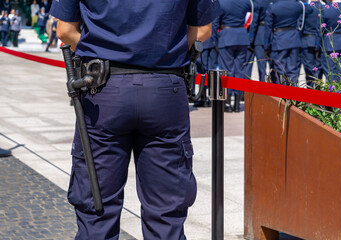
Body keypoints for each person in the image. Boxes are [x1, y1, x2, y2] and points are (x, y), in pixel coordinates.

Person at [50, 0, 221, 239]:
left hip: (104, 90)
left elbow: (65, 30)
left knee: (96, 208)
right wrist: (161, 55)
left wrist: (102, 53)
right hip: (164, 87)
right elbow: (203, 29)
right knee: (166, 214)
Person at [216, 0, 253, 113]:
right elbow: (251, 19)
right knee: (240, 71)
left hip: (226, 36)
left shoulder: (221, 2)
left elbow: (215, 22)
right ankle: (237, 104)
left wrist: (215, 39)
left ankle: (227, 103)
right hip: (242, 36)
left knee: (227, 70)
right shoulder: (246, 2)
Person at [264, 0, 307, 85]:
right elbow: (309, 10)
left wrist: (267, 45)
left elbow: (268, 28)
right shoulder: (297, 5)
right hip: (294, 39)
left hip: (279, 40)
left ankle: (282, 94)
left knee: (280, 69)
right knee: (293, 70)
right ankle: (292, 93)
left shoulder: (273, 6)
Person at [318, 0, 341, 82]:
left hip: (330, 42)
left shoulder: (325, 10)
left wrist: (318, 45)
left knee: (330, 70)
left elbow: (320, 29)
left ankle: (332, 90)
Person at [194, 21, 219, 108]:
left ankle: (204, 98)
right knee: (211, 70)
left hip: (203, 41)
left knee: (202, 70)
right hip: (213, 42)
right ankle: (209, 98)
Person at [247, 0, 273, 82]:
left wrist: (251, 38)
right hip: (272, 34)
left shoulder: (258, 2)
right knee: (270, 65)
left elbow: (254, 21)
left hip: (259, 34)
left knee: (259, 65)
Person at [301, 0, 323, 87]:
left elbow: (300, 24)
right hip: (320, 40)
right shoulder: (324, 8)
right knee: (319, 65)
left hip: (307, 39)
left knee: (309, 66)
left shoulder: (305, 8)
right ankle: (318, 85)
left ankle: (310, 86)